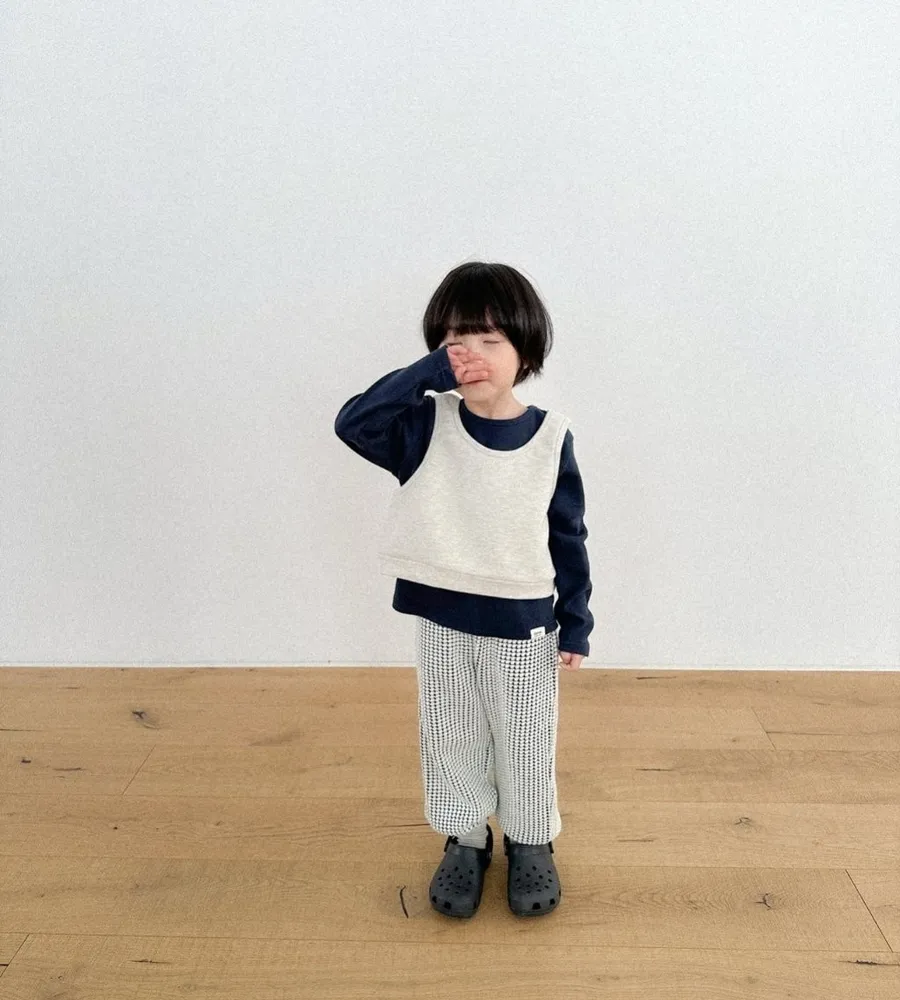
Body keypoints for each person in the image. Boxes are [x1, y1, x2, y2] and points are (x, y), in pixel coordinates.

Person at [334, 261, 593, 919]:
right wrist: (427, 374)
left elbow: (567, 534)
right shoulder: (425, 425)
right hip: (443, 614)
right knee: (450, 732)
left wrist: (577, 618)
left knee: (524, 736)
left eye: (489, 340)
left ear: (525, 351)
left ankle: (530, 839)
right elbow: (354, 423)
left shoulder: (550, 439)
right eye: (454, 342)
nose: (470, 355)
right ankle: (466, 837)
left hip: (523, 623)